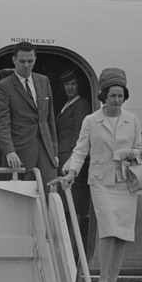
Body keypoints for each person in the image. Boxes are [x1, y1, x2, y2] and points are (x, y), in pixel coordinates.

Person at [61, 67, 141, 282]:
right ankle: (102, 280)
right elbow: (80, 150)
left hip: (126, 182)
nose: (117, 100)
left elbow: (139, 150)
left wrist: (127, 154)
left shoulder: (132, 120)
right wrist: (72, 172)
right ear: (103, 96)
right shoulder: (91, 120)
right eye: (113, 95)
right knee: (108, 229)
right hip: (101, 182)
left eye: (120, 95)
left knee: (123, 234)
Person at [0, 42, 59, 182]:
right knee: (22, 199)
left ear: (35, 59)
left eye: (30, 61)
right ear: (14, 60)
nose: (26, 65)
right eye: (22, 61)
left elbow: (49, 119)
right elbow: (1, 122)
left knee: (49, 194)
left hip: (46, 152)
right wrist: (9, 151)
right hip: (20, 153)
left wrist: (54, 152)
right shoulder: (3, 87)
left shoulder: (43, 81)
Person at [56, 67, 91, 219]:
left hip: (70, 158)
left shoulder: (81, 105)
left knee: (72, 204)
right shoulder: (68, 104)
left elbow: (79, 134)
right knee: (65, 202)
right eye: (66, 84)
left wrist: (72, 160)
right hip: (62, 156)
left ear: (79, 85)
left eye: (73, 84)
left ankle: (72, 241)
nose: (69, 87)